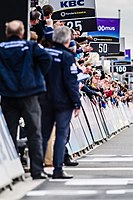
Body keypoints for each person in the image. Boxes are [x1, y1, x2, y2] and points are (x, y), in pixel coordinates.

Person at [0, 20, 52, 179]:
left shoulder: (1, 48)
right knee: (34, 133)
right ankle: (37, 170)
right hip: (29, 94)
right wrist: (38, 77)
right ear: (22, 33)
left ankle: (10, 170)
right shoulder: (31, 46)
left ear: (7, 33)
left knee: (9, 134)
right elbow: (46, 59)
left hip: (8, 96)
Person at [40, 26, 81, 179]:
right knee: (61, 135)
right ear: (67, 40)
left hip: (44, 99)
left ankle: (37, 169)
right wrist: (76, 103)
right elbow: (71, 82)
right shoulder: (67, 56)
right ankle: (58, 169)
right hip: (63, 102)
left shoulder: (44, 53)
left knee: (43, 134)